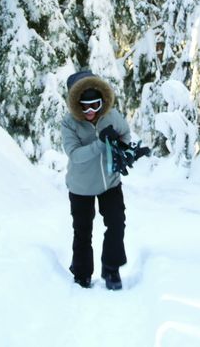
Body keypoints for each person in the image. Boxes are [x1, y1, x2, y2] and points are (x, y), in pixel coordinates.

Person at [61, 70, 137, 290]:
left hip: (109, 183)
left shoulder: (111, 115)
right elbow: (74, 154)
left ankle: (111, 269)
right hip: (80, 186)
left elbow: (125, 133)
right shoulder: (69, 124)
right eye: (85, 106)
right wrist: (101, 144)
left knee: (116, 223)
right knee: (83, 230)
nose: (91, 111)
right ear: (76, 105)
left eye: (95, 105)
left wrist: (123, 148)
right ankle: (82, 274)